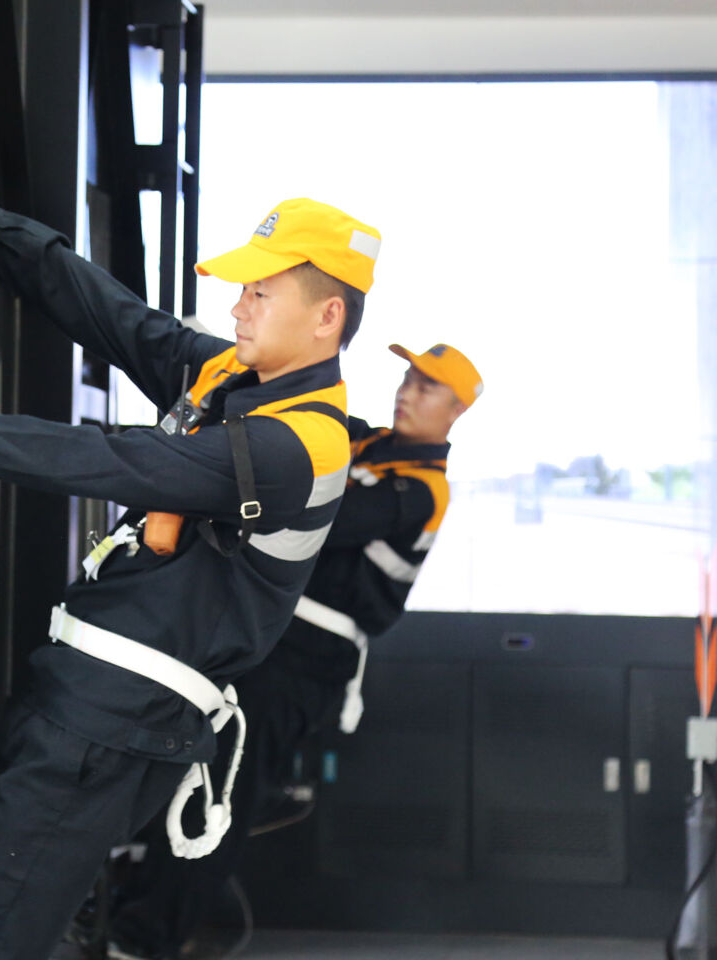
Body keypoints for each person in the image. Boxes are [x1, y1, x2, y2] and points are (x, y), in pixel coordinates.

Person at [0, 167, 382, 960]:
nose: (237, 305)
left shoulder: (301, 445)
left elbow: (123, 462)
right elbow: (111, 317)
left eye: (260, 292)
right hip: (65, 698)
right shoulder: (231, 379)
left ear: (328, 316)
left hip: (116, 728)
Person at [106, 343, 483, 960]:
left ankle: (146, 941)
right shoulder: (368, 444)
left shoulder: (421, 490)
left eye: (429, 387)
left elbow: (325, 512)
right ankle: (125, 913)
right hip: (261, 629)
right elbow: (306, 427)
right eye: (410, 377)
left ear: (457, 412)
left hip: (308, 655)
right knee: (178, 765)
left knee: (221, 790)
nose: (408, 391)